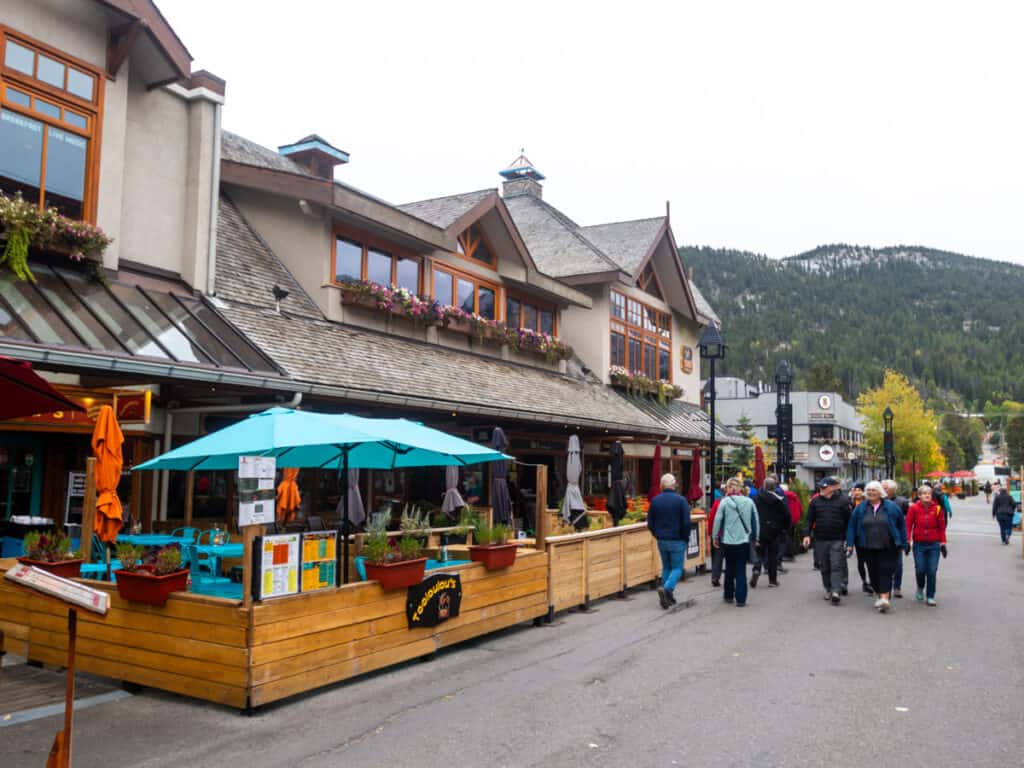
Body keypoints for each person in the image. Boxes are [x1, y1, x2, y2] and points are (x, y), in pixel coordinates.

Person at [846, 480, 908, 613]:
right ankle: (881, 594)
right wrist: (850, 544)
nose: (871, 493)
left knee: (885, 571)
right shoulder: (861, 508)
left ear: (880, 492)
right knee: (873, 573)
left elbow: (901, 525)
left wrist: (904, 542)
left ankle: (885, 598)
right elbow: (852, 525)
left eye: (874, 490)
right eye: (868, 491)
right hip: (867, 546)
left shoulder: (891, 507)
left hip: (888, 546)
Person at [803, 476, 850, 605]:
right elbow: (809, 520)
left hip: (837, 538)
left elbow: (849, 521)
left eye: (824, 486)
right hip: (820, 539)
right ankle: (828, 589)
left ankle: (836, 591)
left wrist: (849, 539)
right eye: (821, 486)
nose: (821, 489)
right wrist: (806, 535)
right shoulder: (815, 501)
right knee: (825, 566)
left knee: (836, 564)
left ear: (834, 488)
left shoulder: (843, 501)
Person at [712, 477, 759, 607]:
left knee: (729, 567)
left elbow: (717, 520)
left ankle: (728, 595)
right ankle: (741, 599)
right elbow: (755, 520)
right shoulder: (749, 502)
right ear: (740, 488)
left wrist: (715, 537)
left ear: (728, 487)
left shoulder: (724, 502)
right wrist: (756, 537)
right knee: (741, 569)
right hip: (743, 540)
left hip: (727, 540)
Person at [647, 473, 692, 609]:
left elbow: (650, 523)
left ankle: (667, 596)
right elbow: (686, 523)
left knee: (666, 567)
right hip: (677, 538)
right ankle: (667, 588)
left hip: (662, 539)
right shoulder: (681, 501)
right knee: (677, 568)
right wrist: (685, 537)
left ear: (662, 485)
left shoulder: (655, 501)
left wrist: (657, 534)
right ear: (674, 485)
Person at [906, 484, 947, 606]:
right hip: (919, 544)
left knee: (932, 570)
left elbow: (942, 528)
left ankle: (930, 596)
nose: (927, 495)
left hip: (934, 544)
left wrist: (943, 543)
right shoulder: (914, 508)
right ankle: (920, 587)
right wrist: (908, 541)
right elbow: (908, 526)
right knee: (920, 569)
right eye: (924, 493)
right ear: (919, 496)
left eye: (929, 493)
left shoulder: (938, 509)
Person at [751, 477, 790, 587]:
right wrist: (784, 529)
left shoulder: (756, 498)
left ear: (763, 486)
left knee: (759, 552)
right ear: (774, 487)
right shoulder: (779, 499)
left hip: (760, 529)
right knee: (773, 555)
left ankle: (756, 569)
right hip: (774, 531)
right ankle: (772, 580)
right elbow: (786, 515)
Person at [882, 479, 910, 598]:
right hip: (881, 538)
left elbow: (906, 522)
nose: (882, 490)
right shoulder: (877, 501)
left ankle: (897, 587)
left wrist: (907, 540)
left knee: (897, 564)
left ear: (892, 490)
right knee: (882, 564)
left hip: (896, 539)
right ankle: (884, 587)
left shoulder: (902, 502)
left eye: (885, 488)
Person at [848, 483, 872, 594]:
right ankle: (864, 581)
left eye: (859, 490)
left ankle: (873, 581)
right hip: (858, 536)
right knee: (861, 560)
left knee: (871, 560)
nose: (857, 492)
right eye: (855, 490)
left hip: (871, 536)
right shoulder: (850, 503)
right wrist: (850, 541)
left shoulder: (869, 502)